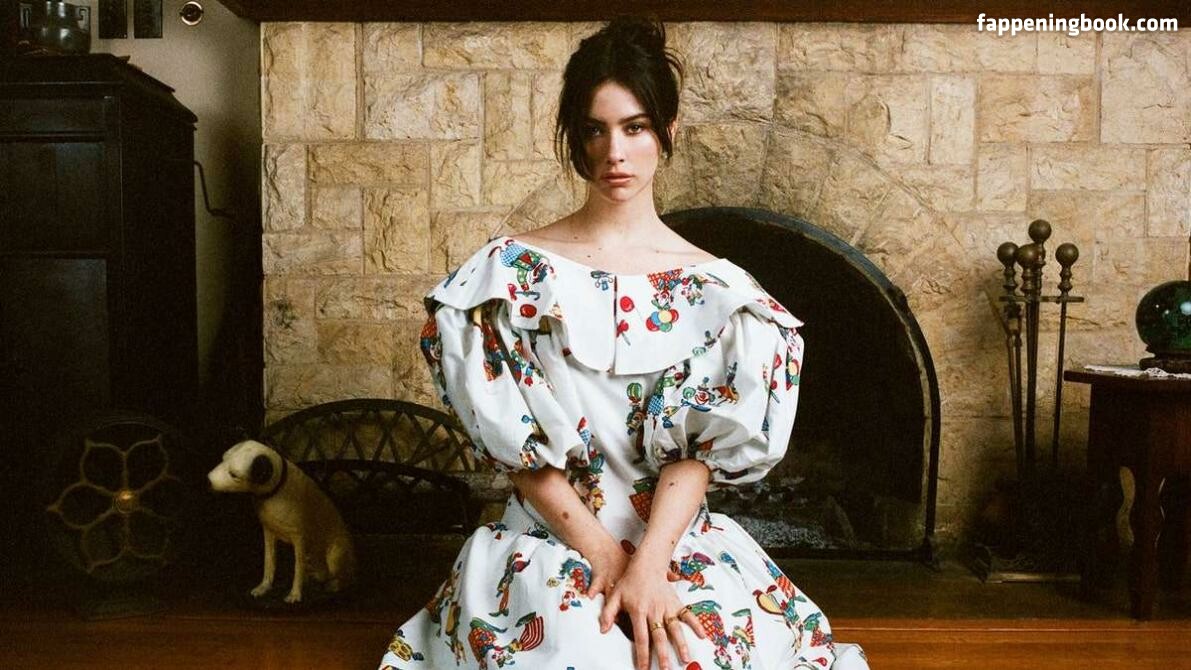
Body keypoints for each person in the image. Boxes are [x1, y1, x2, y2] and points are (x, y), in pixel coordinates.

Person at [379, 17, 868, 670]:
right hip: (554, 543)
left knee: (693, 650)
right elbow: (522, 453)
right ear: (574, 137)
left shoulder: (718, 290)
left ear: (667, 131)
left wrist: (649, 566)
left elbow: (695, 453)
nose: (615, 152)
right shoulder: (508, 274)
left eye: (634, 127)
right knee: (582, 652)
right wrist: (609, 560)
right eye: (595, 129)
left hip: (672, 547)